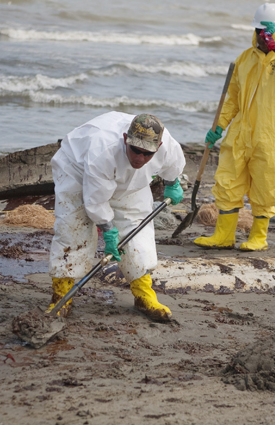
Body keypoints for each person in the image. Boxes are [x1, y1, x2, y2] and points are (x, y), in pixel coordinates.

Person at [194, 3, 275, 251]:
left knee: (266, 185)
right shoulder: (244, 59)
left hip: (269, 135)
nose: (262, 36)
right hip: (240, 133)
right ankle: (224, 235)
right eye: (260, 31)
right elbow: (234, 97)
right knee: (228, 181)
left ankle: (258, 237)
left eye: (267, 31)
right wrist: (220, 125)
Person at [48, 111, 186, 322]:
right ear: (125, 139)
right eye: (135, 150)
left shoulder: (167, 145)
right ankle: (61, 295)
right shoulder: (102, 151)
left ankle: (144, 295)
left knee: (137, 228)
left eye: (147, 154)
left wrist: (171, 183)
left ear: (157, 148)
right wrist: (108, 230)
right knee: (73, 228)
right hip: (76, 169)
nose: (140, 158)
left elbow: (172, 166)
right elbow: (95, 201)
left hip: (130, 179)